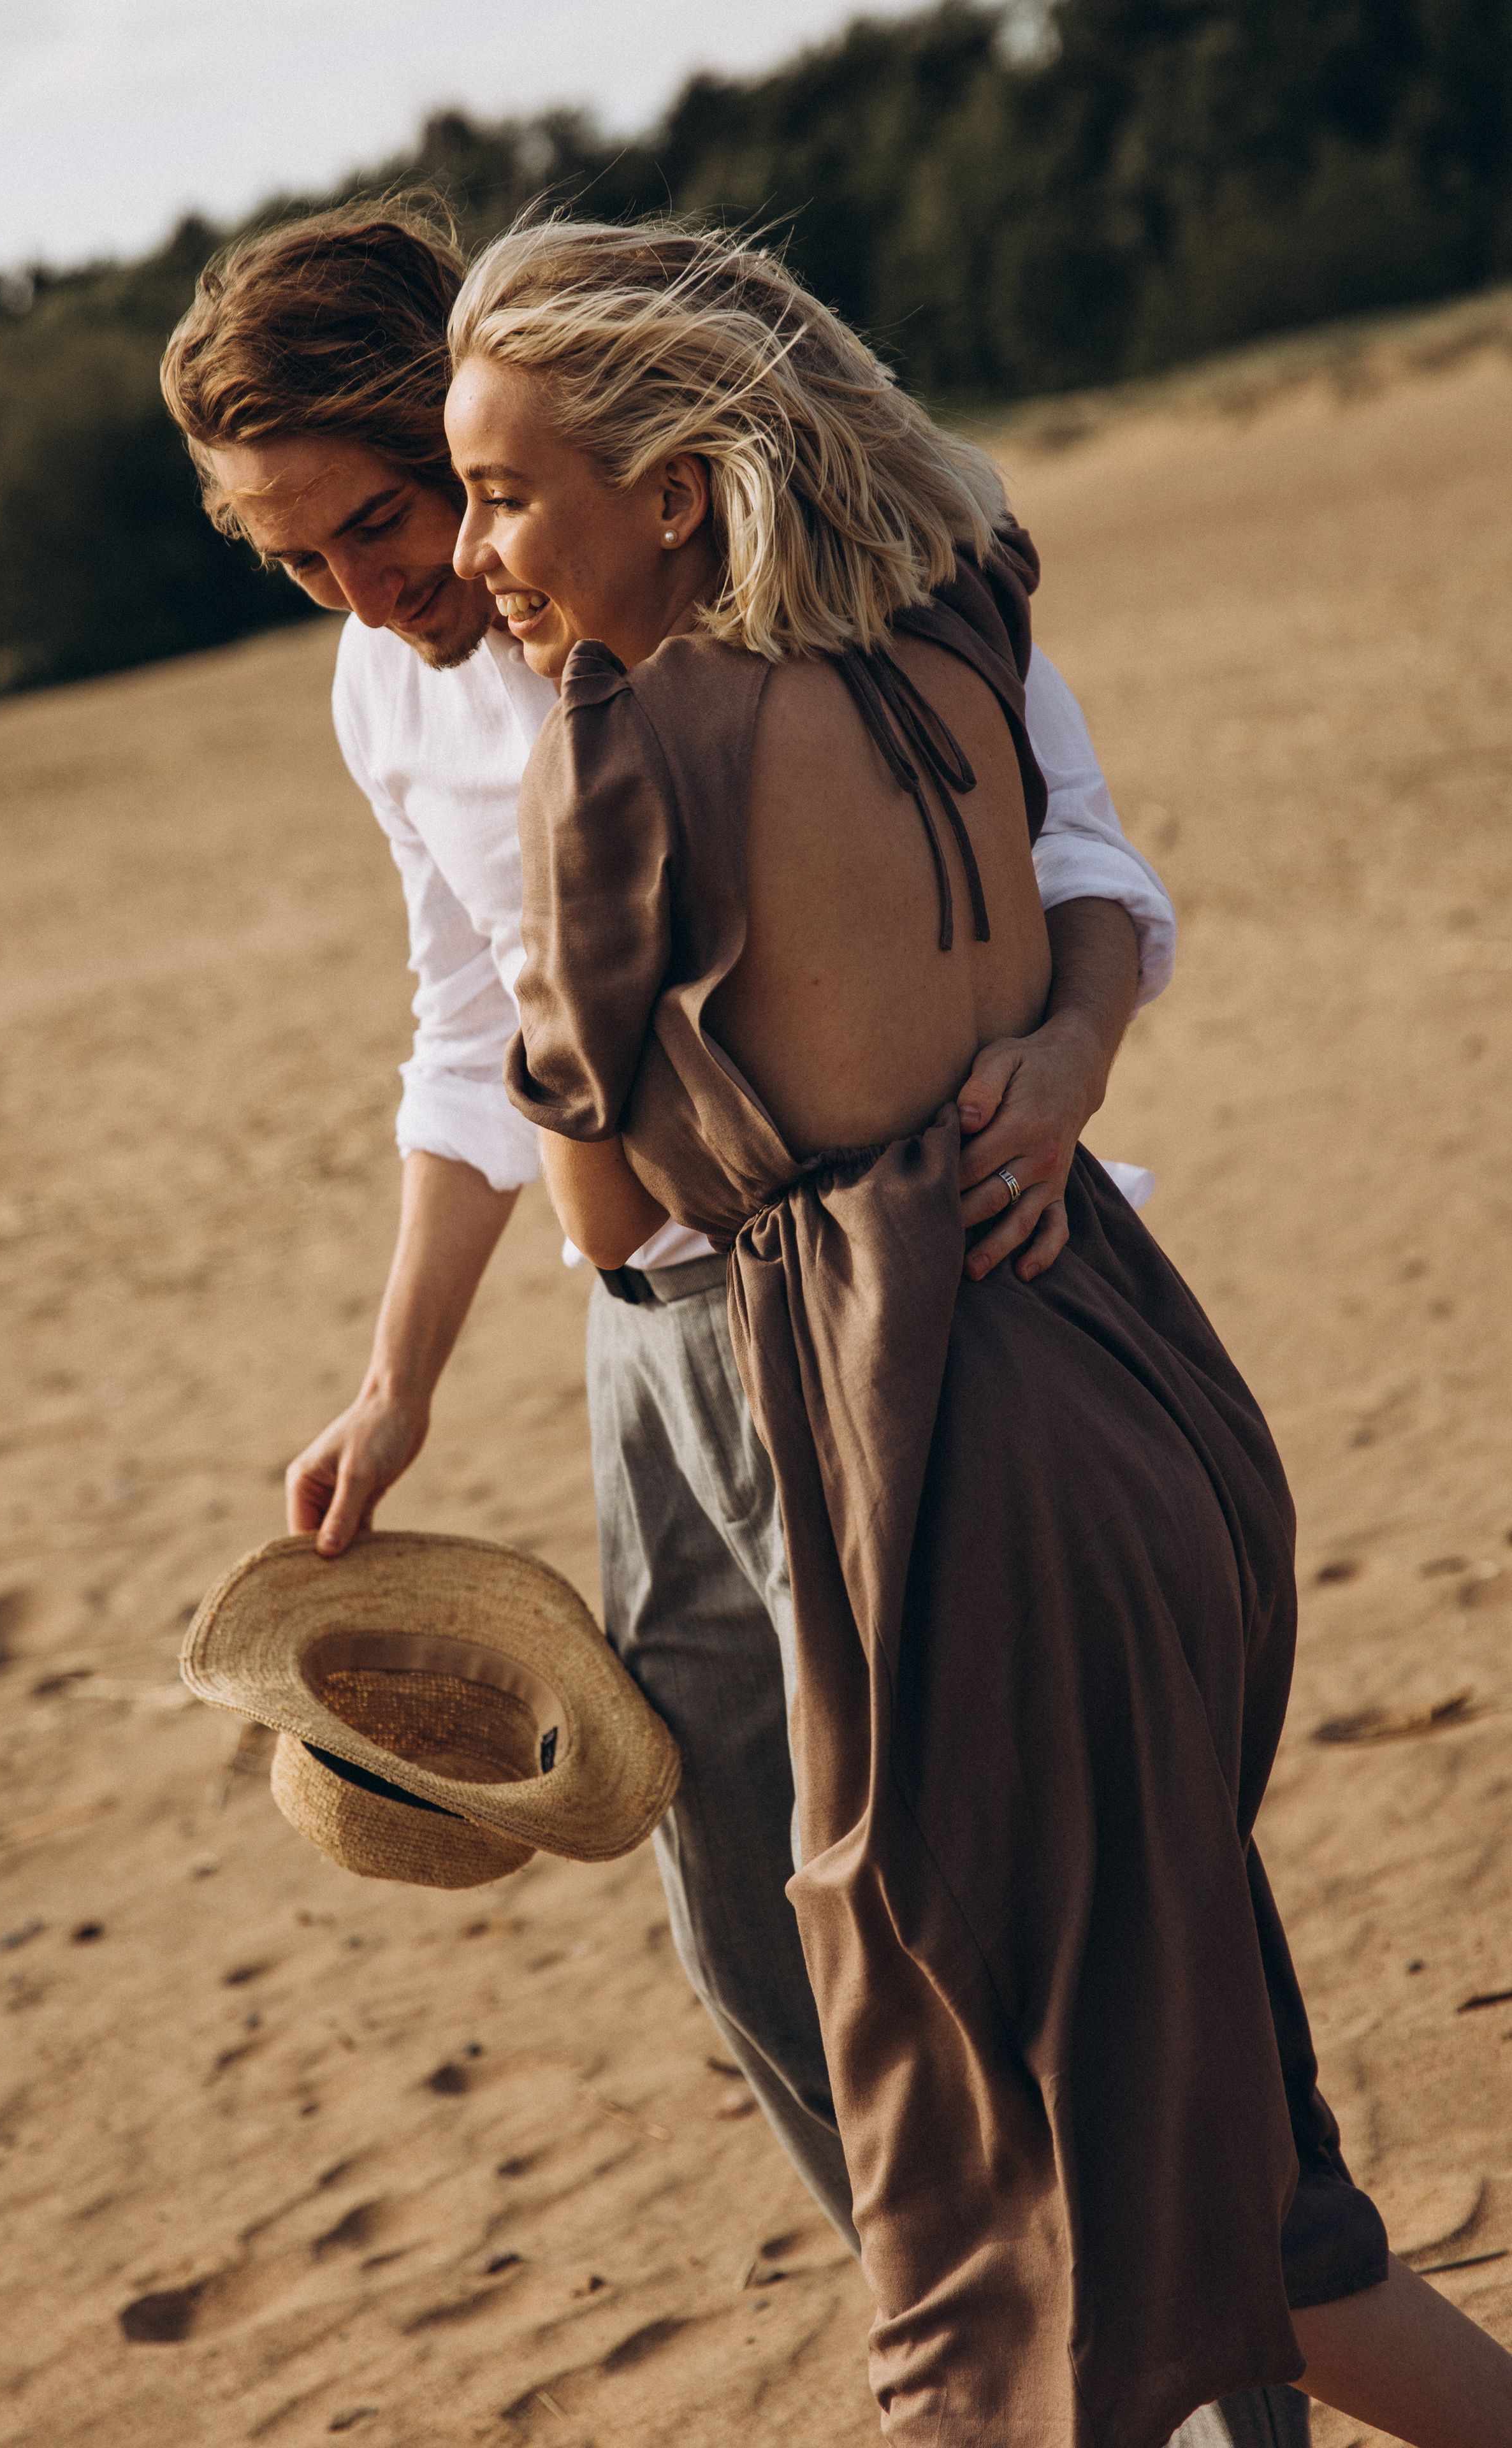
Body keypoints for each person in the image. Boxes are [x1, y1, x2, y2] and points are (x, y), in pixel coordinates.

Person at [160, 206, 1298, 2448]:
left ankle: (1194, 2352)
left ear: (487, 424)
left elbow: (1084, 861)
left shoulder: (830, 580)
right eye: (299, 563)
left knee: (1029, 1898)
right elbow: (468, 1029)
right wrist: (396, 1380)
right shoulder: (388, 689)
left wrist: (1071, 1068)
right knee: (755, 1924)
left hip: (911, 1319)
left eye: (390, 516)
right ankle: (985, 2339)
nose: (370, 590)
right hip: (653, 1363)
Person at [442, 215, 1512, 2448]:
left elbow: (611, 1210)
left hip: (937, 1464)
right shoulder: (958, 622)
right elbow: (1079, 916)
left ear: (673, 480)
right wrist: (1036, 1046)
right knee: (1202, 2156)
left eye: (505, 492)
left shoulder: (614, 758)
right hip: (1141, 1383)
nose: (477, 551)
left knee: (1027, 2230)